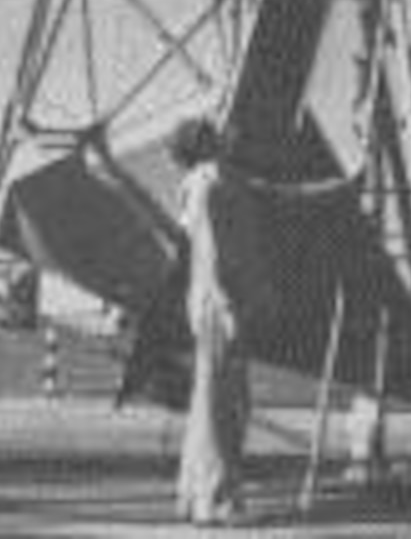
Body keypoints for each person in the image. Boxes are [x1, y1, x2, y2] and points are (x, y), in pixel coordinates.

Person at [170, 116, 264, 526]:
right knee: (222, 405)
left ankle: (194, 495)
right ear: (208, 143)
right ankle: (216, 498)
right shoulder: (210, 183)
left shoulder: (212, 182)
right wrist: (225, 302)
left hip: (213, 299)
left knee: (210, 400)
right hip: (218, 301)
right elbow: (209, 247)